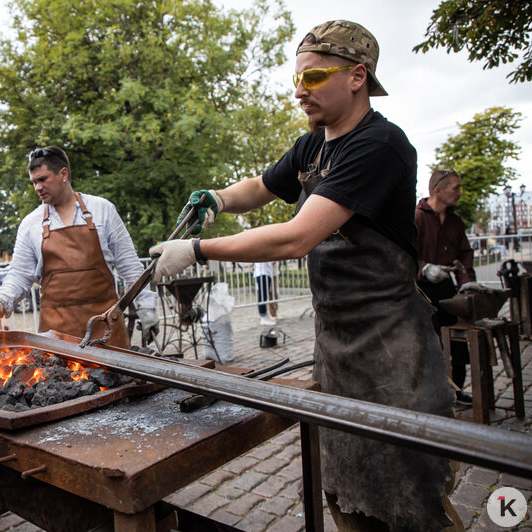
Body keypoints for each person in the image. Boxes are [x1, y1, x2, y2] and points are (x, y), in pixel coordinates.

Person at [149, 20, 460, 531]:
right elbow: (261, 186)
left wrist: (199, 249)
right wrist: (220, 199)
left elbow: (296, 236)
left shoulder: (379, 144)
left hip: (392, 350)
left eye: (313, 78)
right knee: (348, 487)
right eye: (297, 79)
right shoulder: (312, 147)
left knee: (410, 500)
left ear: (358, 76)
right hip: (336, 346)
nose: (299, 91)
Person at [0, 146, 159, 349]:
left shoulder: (103, 210)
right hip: (56, 336)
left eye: (43, 179)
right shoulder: (31, 223)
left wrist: (147, 307)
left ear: (63, 173)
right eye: (34, 182)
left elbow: (129, 264)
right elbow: (20, 275)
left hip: (106, 331)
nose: (37, 187)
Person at [416, 169, 477, 404]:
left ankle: (457, 390)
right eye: (456, 188)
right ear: (438, 190)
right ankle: (434, 393)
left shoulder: (455, 221)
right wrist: (424, 268)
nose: (460, 193)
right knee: (432, 343)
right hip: (422, 293)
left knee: (458, 342)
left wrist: (466, 281)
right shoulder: (417, 218)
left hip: (447, 289)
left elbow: (464, 253)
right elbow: (404, 256)